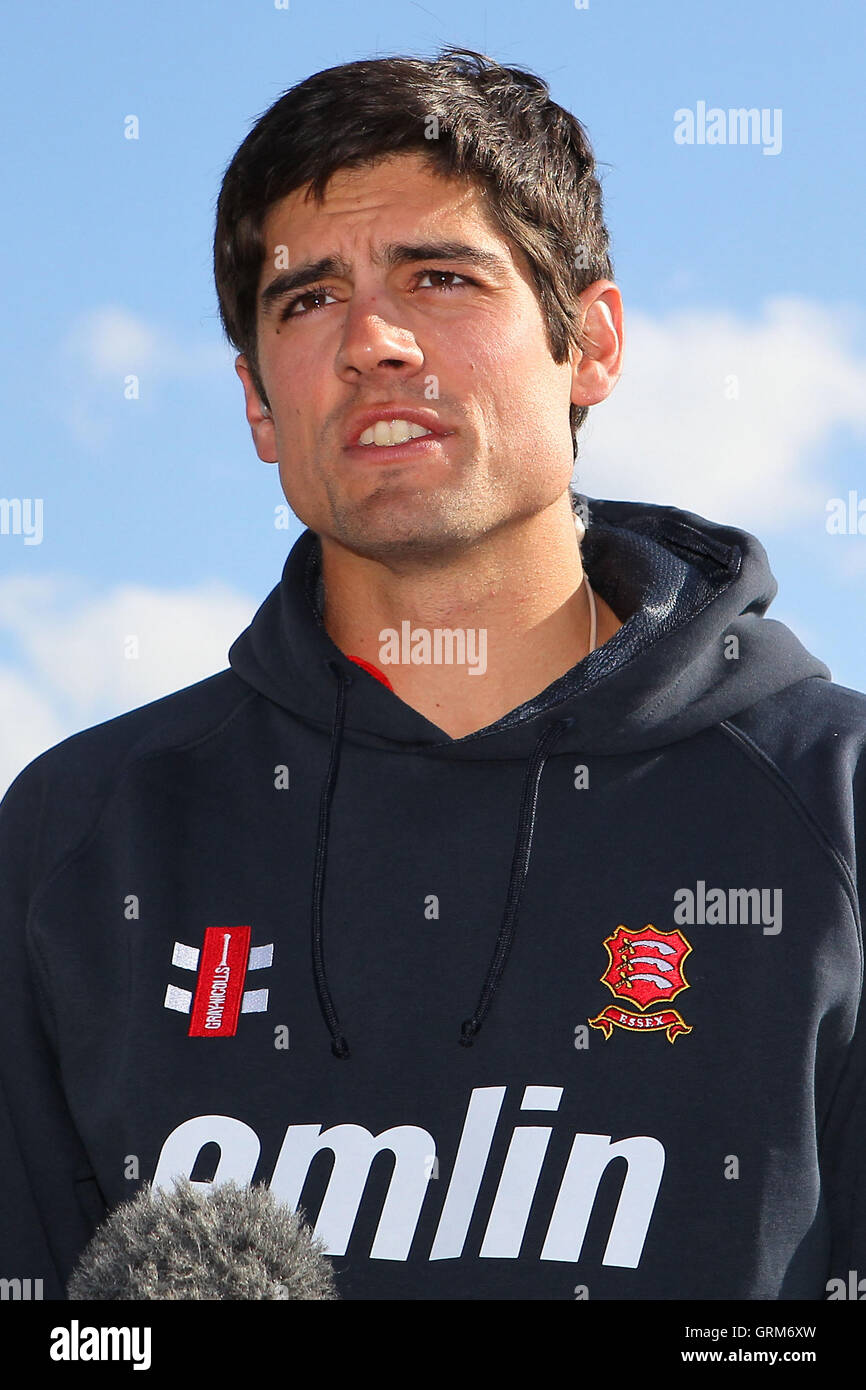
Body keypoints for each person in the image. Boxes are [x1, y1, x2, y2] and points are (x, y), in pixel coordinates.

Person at [1, 45, 864, 1303]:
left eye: (441, 276)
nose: (375, 340)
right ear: (255, 401)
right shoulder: (80, 841)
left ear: (592, 345)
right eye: (307, 299)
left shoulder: (832, 809)